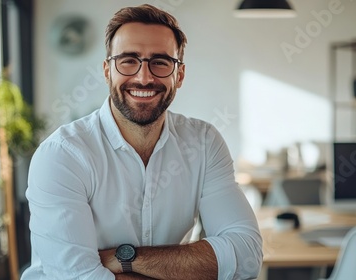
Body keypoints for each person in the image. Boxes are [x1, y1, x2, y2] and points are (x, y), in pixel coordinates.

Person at [22, 4, 262, 280]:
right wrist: (184, 268)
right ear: (107, 71)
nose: (144, 77)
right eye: (128, 60)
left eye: (160, 62)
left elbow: (246, 256)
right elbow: (79, 277)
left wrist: (123, 258)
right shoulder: (63, 155)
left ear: (179, 75)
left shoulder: (204, 143)